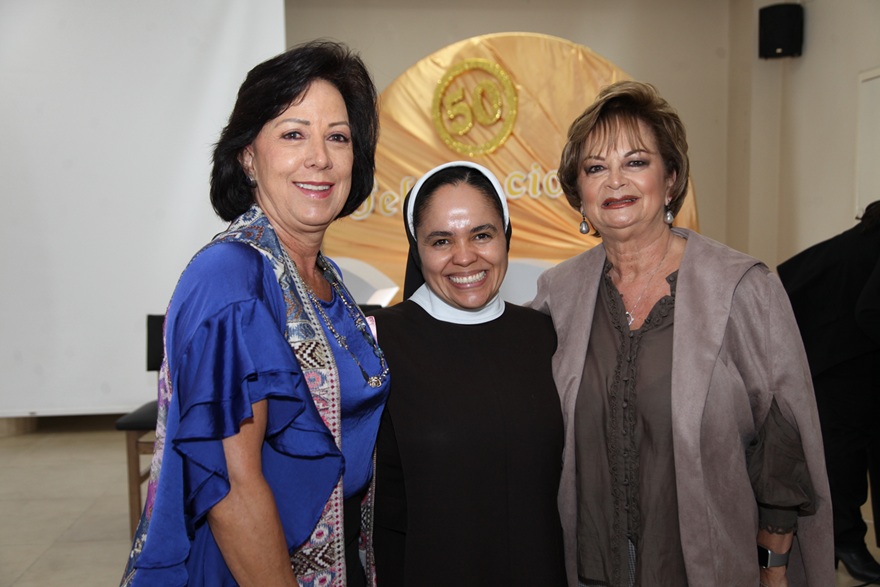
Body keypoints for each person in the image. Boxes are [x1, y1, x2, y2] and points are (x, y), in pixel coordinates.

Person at [528, 81, 833, 587]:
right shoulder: (556, 296)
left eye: (635, 162)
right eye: (595, 168)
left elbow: (781, 444)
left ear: (670, 179)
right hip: (590, 569)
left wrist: (772, 569)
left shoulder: (741, 288)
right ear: (579, 194)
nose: (615, 181)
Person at [120, 40, 388, 586]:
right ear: (248, 155)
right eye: (293, 134)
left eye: (337, 137)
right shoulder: (231, 277)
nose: (320, 157)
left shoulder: (324, 275)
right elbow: (233, 489)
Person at [369, 161, 567, 586]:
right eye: (442, 240)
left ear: (506, 236)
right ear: (417, 249)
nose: (464, 256)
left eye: (481, 235)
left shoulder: (546, 336)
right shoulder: (375, 343)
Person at [777, 200, 880, 583]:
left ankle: (843, 544)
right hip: (838, 359)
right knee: (844, 458)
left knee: (844, 455)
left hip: (834, 352)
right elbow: (870, 310)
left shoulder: (865, 236)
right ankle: (846, 545)